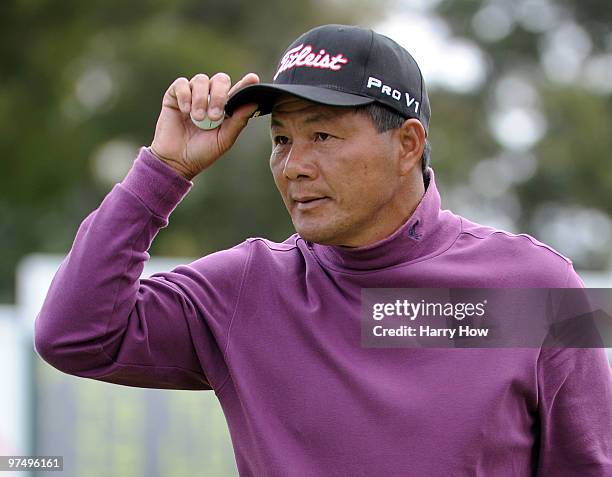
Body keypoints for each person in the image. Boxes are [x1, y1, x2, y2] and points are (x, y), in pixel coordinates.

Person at [34, 24, 611, 476]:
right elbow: (75, 335)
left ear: (407, 144)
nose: (295, 166)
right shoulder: (245, 288)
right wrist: (164, 170)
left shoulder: (534, 286)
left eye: (323, 136)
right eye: (282, 138)